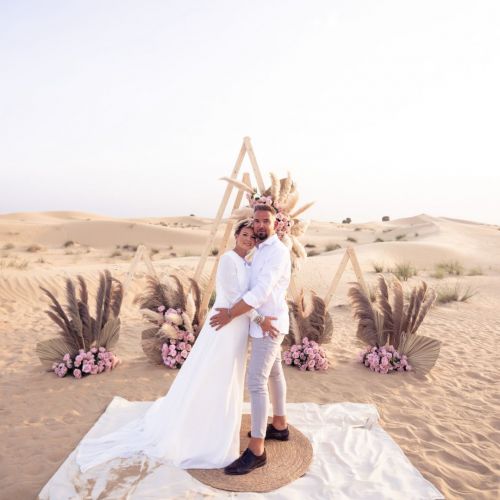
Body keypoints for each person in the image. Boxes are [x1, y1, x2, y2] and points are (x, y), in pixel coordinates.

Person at [76, 220, 276, 472]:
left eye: (252, 236)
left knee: (227, 376)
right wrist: (259, 319)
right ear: (236, 236)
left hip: (237, 327)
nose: (248, 239)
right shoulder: (228, 259)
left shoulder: (247, 262)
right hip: (225, 325)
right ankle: (204, 431)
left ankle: (219, 421)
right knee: (215, 374)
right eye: (244, 234)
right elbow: (236, 297)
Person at [210, 204, 292, 475]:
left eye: (266, 220)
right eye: (257, 220)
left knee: (256, 382)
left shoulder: (277, 252)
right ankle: (279, 425)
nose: (260, 225)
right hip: (261, 323)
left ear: (275, 224)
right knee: (274, 373)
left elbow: (261, 291)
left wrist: (230, 314)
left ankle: (257, 450)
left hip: (269, 325)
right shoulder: (259, 249)